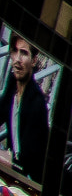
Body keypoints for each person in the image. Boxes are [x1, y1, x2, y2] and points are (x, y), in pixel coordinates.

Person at [0, 34, 49, 178]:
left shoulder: (37, 103)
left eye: (24, 53)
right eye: (14, 51)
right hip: (12, 169)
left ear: (33, 61)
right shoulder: (12, 82)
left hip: (28, 178)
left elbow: (27, 161)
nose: (17, 59)